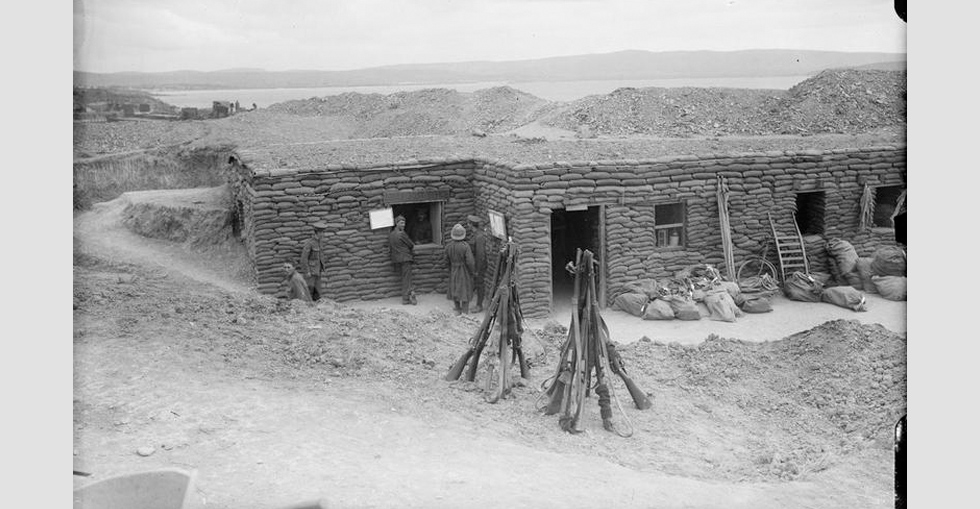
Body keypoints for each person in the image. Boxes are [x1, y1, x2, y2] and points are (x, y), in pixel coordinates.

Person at [444, 223, 475, 315]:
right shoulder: (465, 246)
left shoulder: (448, 246)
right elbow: (470, 261)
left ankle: (457, 309)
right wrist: (472, 271)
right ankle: (465, 311)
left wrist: (450, 269)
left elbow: (445, 260)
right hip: (463, 270)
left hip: (453, 268)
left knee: (454, 288)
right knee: (465, 289)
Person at [389, 215, 417, 305]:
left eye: (404, 223)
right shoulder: (402, 234)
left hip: (397, 259)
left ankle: (410, 293)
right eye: (401, 223)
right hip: (405, 258)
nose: (403, 225)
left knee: (405, 278)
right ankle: (406, 298)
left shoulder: (391, 234)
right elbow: (411, 245)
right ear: (396, 223)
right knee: (407, 279)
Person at [300, 221, 328, 300]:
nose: (323, 234)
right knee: (309, 290)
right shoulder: (309, 243)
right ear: (317, 232)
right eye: (321, 232)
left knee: (317, 291)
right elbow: (304, 258)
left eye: (323, 232)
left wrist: (322, 268)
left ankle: (316, 305)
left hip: (318, 270)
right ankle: (308, 305)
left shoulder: (320, 242)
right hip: (311, 272)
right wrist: (307, 271)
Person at [467, 214, 489, 314]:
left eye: (468, 223)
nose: (467, 225)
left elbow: (480, 255)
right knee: (475, 283)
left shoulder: (479, 237)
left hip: (479, 265)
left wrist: (477, 269)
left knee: (480, 284)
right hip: (474, 264)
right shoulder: (474, 235)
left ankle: (479, 305)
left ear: (471, 224)